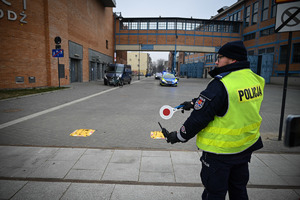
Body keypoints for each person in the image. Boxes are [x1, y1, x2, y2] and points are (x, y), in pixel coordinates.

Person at [162, 40, 265, 200]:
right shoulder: (255, 79)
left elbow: (199, 118)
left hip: (220, 152)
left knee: (214, 193)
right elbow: (231, 103)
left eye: (220, 57)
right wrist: (195, 103)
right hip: (245, 148)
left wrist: (179, 136)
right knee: (239, 190)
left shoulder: (222, 83)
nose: (216, 61)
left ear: (233, 59)